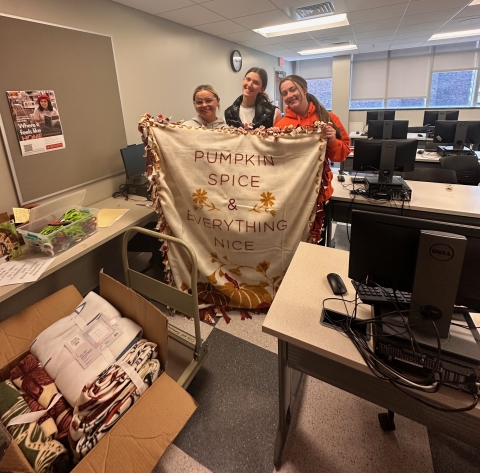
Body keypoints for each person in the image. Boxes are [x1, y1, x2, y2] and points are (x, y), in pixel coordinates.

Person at [276, 74, 350, 243]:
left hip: (320, 195)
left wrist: (332, 140)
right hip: (293, 194)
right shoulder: (280, 126)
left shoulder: (328, 118)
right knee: (293, 242)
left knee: (318, 244)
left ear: (304, 89)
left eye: (293, 89)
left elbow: (343, 153)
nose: (289, 95)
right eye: (284, 93)